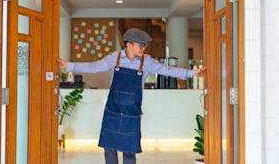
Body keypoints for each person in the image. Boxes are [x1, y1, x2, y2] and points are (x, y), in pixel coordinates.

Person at [57, 28, 205, 164]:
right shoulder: (114, 58)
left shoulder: (147, 62)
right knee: (109, 149)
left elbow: (168, 70)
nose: (143, 49)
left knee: (129, 151)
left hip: (131, 112)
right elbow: (94, 67)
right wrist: (69, 65)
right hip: (113, 110)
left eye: (144, 46)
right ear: (129, 45)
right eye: (141, 45)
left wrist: (192, 73)